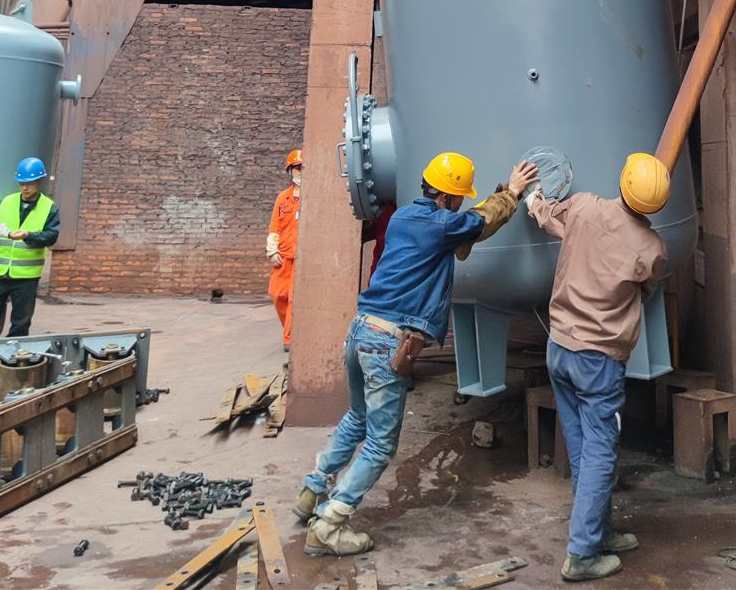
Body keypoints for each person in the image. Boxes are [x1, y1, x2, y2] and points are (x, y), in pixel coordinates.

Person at [294, 152, 540, 556]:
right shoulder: (442, 224)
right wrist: (512, 192)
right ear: (446, 197)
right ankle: (330, 524)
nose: (459, 204)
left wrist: (497, 196)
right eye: (458, 198)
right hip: (387, 343)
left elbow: (466, 226)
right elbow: (477, 224)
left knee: (357, 419)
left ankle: (312, 492)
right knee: (380, 445)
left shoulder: (405, 218)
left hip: (360, 331)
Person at [525, 152, 669, 582]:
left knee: (583, 447)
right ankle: (582, 553)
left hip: (559, 347)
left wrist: (532, 200)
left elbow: (549, 217)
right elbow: (645, 290)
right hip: (598, 359)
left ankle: (599, 532)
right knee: (600, 450)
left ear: (623, 181)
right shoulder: (652, 250)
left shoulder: (584, 206)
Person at [0, 157, 60, 339]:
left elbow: (51, 237)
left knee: (21, 323)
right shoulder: (6, 202)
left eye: (29, 184)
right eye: (21, 183)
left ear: (39, 181)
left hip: (26, 277)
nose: (24, 188)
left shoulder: (48, 208)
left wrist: (28, 235)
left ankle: (13, 353)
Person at [266, 149, 302, 350]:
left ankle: (289, 338)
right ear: (290, 171)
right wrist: (273, 252)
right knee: (277, 294)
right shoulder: (283, 198)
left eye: (304, 168)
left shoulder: (311, 198)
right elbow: (274, 227)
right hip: (284, 255)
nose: (301, 172)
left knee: (294, 298)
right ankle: (290, 330)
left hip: (301, 258)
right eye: (297, 168)